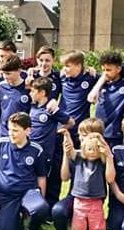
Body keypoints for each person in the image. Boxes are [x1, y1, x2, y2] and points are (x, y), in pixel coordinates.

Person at [0, 113, 50, 230]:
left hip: (28, 193)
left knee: (41, 207)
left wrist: (41, 199)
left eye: (15, 130)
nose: (11, 133)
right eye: (9, 129)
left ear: (27, 131)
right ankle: (16, 221)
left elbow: (41, 176)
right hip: (7, 196)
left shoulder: (36, 150)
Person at [61, 132, 115, 230]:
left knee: (95, 229)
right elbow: (70, 148)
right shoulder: (79, 157)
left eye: (95, 149)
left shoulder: (101, 162)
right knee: (79, 228)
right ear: (84, 148)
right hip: (79, 201)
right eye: (89, 149)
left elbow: (106, 156)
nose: (92, 152)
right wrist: (67, 135)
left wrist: (100, 139)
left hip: (96, 201)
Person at [28, 77, 74, 209]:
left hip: (46, 154)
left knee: (46, 181)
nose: (30, 94)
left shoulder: (51, 110)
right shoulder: (33, 107)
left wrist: (60, 129)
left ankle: (46, 209)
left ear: (42, 93)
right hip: (31, 152)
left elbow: (70, 121)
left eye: (33, 91)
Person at [91, 52, 124, 148]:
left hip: (115, 133)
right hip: (99, 131)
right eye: (103, 70)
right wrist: (101, 80)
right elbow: (91, 98)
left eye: (109, 70)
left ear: (118, 69)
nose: (105, 73)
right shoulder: (101, 82)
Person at [0, 56, 31, 139]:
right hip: (4, 133)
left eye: (8, 73)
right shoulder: (1, 86)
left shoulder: (28, 88)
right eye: (3, 73)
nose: (5, 76)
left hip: (21, 133)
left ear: (19, 71)